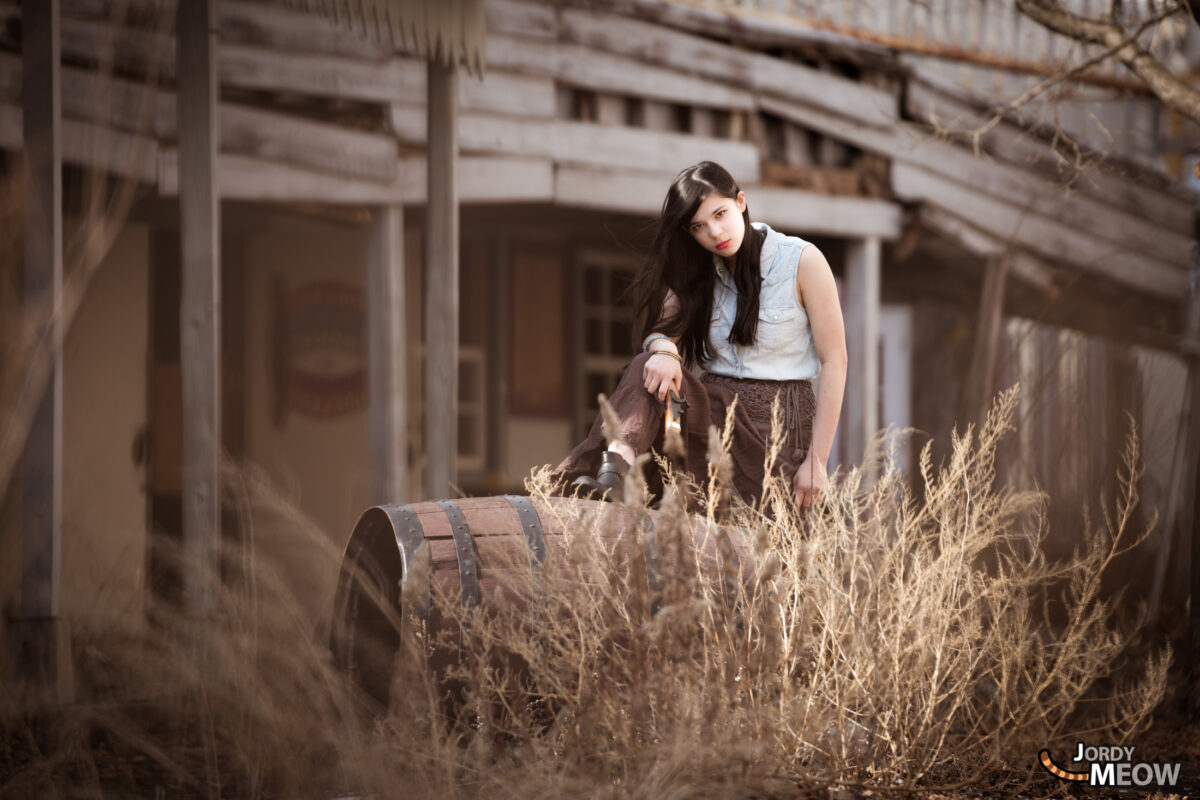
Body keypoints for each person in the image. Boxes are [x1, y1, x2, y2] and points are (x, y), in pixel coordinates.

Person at [556, 161, 847, 511]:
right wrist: (664, 350)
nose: (715, 232)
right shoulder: (697, 269)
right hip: (709, 413)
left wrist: (817, 460)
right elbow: (661, 333)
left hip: (776, 429)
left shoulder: (802, 261)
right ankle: (613, 472)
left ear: (741, 201)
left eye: (720, 214)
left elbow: (836, 361)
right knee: (650, 366)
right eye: (699, 226)